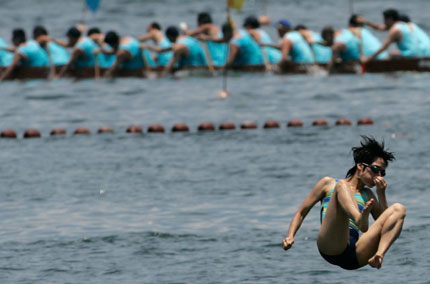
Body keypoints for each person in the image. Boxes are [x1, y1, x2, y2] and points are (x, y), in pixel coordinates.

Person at [282, 136, 406, 270]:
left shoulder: (368, 195)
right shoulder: (329, 184)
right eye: (375, 170)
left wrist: (381, 193)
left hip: (356, 254)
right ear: (360, 166)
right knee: (341, 185)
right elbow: (301, 212)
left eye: (382, 173)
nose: (379, 176)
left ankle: (379, 256)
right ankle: (359, 219)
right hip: (331, 244)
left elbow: (386, 223)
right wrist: (290, 236)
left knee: (399, 209)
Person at [359, 9, 424, 62]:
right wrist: (365, 22)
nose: (384, 22)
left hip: (410, 55)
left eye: (384, 20)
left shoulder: (394, 30)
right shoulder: (404, 24)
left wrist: (369, 58)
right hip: (419, 53)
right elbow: (379, 27)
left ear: (389, 19)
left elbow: (384, 47)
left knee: (391, 54)